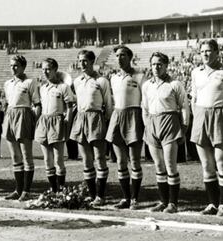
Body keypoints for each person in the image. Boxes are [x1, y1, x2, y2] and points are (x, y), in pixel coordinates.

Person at [190, 39, 223, 216]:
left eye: (209, 50)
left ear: (217, 52)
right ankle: (212, 204)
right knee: (206, 164)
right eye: (202, 51)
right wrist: (196, 119)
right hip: (201, 116)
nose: (205, 54)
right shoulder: (196, 72)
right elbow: (194, 99)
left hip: (220, 115)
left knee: (221, 162)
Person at [142, 52, 190, 213]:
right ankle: (163, 201)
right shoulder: (147, 85)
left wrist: (183, 129)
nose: (156, 67)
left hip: (170, 122)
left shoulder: (175, 84)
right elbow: (145, 108)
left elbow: (184, 107)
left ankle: (173, 203)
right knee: (158, 165)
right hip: (152, 124)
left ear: (166, 66)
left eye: (159, 64)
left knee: (170, 165)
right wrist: (147, 124)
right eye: (154, 64)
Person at [70, 50, 113, 206]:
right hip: (81, 119)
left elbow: (108, 104)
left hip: (96, 118)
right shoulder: (77, 81)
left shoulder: (102, 81)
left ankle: (101, 195)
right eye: (80, 61)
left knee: (100, 158)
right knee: (86, 160)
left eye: (85, 61)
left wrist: (107, 122)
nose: (82, 64)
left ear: (92, 61)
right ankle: (92, 194)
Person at [106, 45, 145, 209]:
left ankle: (135, 198)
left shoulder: (140, 76)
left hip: (134, 116)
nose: (120, 58)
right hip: (117, 116)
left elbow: (145, 100)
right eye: (117, 56)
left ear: (130, 57)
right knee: (121, 161)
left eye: (123, 55)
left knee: (134, 161)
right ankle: (125, 198)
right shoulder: (113, 78)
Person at [3, 55, 41, 201]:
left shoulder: (30, 82)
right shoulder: (8, 83)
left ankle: (26, 190)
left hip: (24, 115)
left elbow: (37, 104)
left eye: (16, 65)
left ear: (23, 67)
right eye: (11, 65)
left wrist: (35, 122)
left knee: (26, 156)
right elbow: (7, 103)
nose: (13, 68)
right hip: (10, 115)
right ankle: (18, 190)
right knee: (15, 156)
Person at [35, 58, 74, 192]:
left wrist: (67, 126)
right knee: (47, 160)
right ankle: (53, 189)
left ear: (55, 70)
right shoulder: (42, 88)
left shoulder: (64, 87)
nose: (45, 72)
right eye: (43, 69)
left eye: (48, 69)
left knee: (58, 160)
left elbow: (69, 108)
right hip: (44, 121)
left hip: (57, 122)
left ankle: (61, 189)